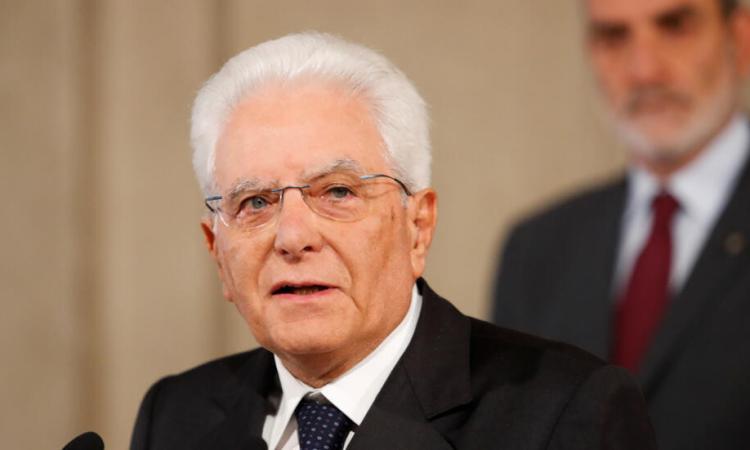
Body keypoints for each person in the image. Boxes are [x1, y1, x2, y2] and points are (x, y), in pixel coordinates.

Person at [131, 32, 654, 450]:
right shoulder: (174, 416)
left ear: (417, 227)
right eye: (255, 202)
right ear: (217, 252)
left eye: (337, 191)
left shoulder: (563, 413)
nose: (292, 237)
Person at [492, 0, 750, 449]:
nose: (644, 71)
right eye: (614, 37)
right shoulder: (536, 250)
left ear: (740, 38)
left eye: (675, 26)